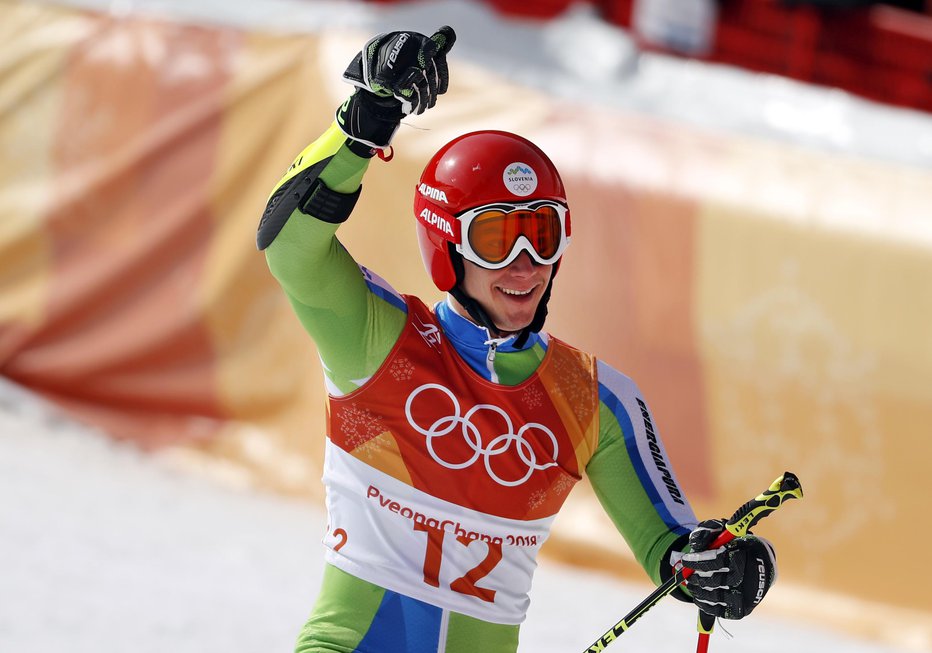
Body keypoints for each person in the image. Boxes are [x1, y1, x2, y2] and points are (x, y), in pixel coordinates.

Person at [257, 25, 777, 653]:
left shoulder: (596, 402)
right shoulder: (381, 342)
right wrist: (359, 127)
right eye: (498, 240)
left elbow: (676, 554)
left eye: (544, 234)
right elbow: (290, 248)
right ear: (446, 244)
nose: (526, 264)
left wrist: (733, 567)